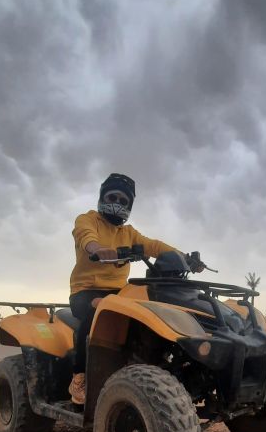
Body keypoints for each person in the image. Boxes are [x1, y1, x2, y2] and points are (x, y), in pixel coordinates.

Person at [68, 173, 202, 405]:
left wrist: (183, 257)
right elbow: (85, 237)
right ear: (102, 197)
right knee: (96, 311)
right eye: (113, 197)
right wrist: (98, 248)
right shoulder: (87, 220)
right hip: (86, 292)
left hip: (120, 294)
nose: (117, 203)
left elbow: (154, 246)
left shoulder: (129, 234)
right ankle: (79, 377)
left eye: (123, 201)